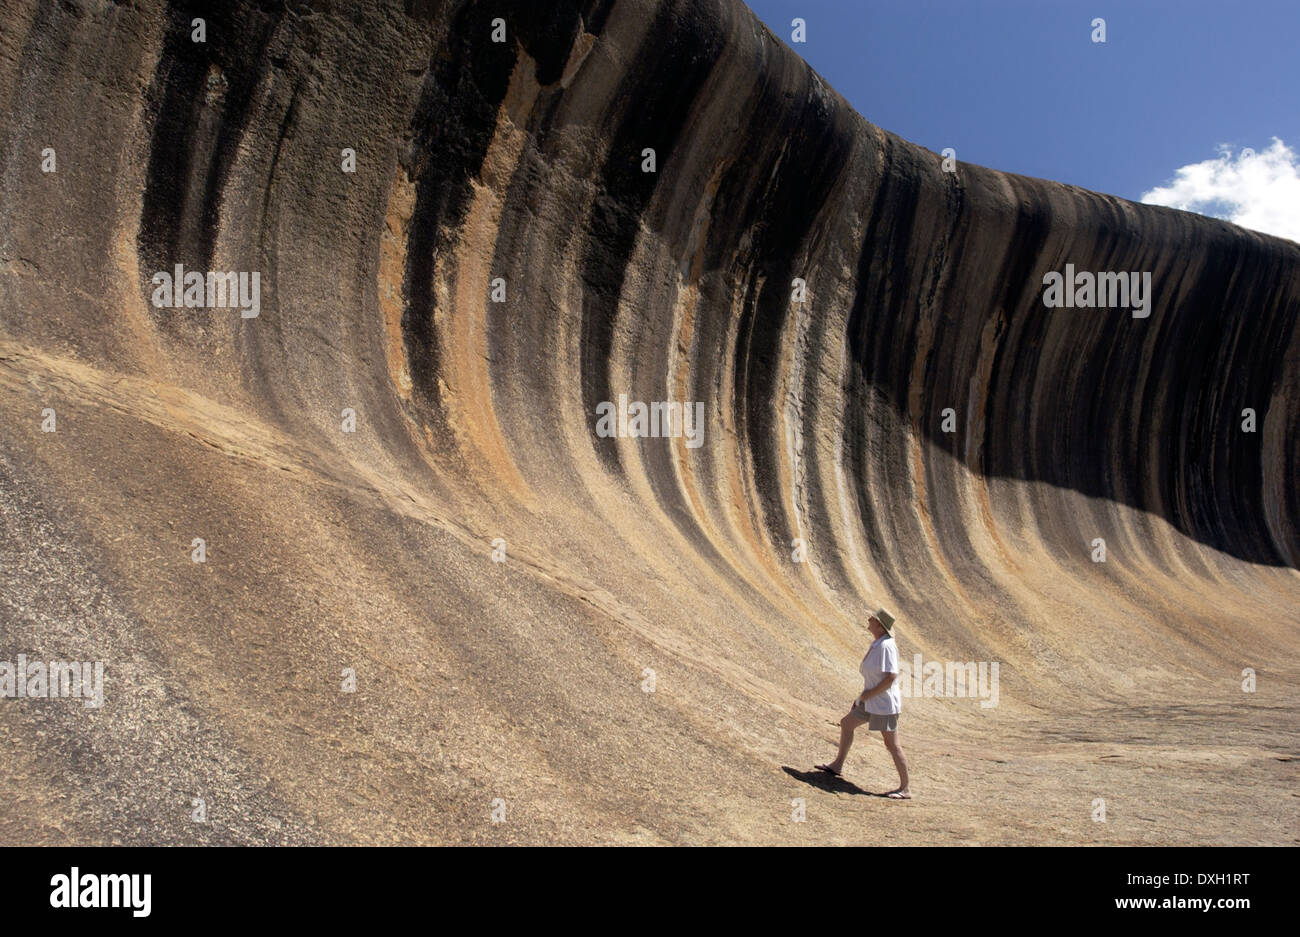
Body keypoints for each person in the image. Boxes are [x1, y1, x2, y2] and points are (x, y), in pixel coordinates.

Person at [816, 609, 911, 799]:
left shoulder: (887, 646)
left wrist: (867, 695)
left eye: (872, 619)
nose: (868, 620)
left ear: (879, 626)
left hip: (884, 704)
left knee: (891, 744)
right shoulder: (878, 643)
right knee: (846, 724)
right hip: (870, 701)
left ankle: (905, 788)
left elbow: (891, 677)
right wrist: (862, 698)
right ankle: (838, 765)